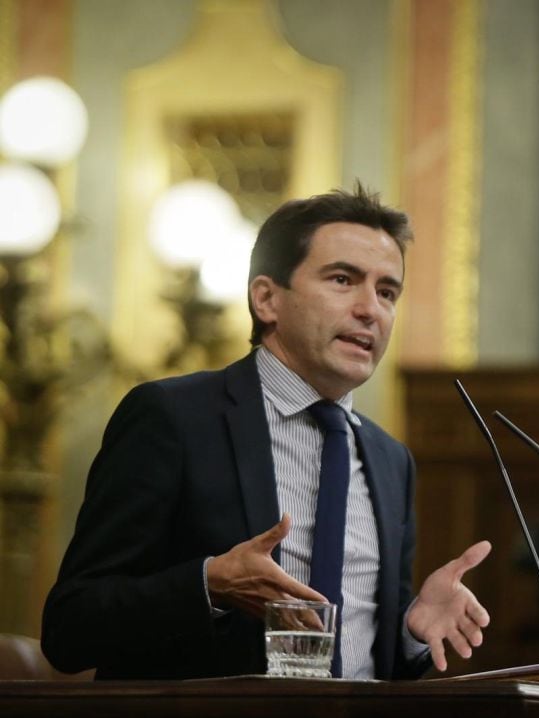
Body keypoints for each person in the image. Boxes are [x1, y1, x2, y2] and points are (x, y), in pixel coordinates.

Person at [42, 183, 490, 680]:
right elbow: (70, 627)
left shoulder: (391, 459)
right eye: (343, 280)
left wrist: (410, 631)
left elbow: (366, 663)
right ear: (267, 299)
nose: (371, 310)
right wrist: (209, 584)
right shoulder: (172, 417)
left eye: (387, 292)